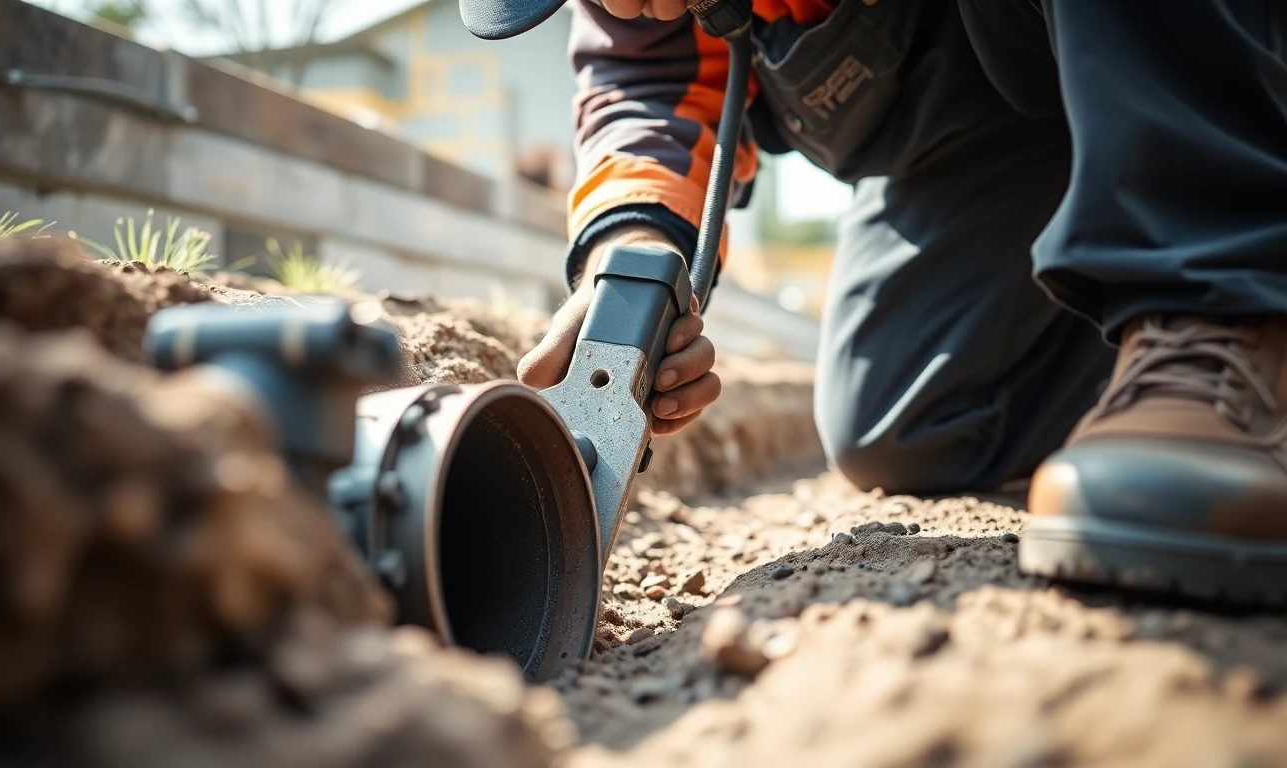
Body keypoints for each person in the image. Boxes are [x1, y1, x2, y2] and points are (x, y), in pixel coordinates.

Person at [515, 0, 1287, 605]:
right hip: (999, 133)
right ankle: (1137, 367)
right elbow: (649, 85)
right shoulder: (635, 9)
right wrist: (635, 259)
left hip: (1200, 56)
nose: (623, 4)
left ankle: (1222, 309)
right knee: (911, 425)